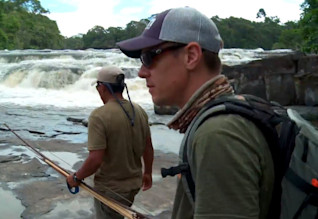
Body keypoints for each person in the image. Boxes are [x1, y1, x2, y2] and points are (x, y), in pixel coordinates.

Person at [117, 6, 274, 219]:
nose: (141, 72)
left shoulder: (219, 135)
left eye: (149, 57)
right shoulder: (233, 112)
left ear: (191, 56)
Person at [66, 66, 154, 219]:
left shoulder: (99, 116)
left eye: (97, 86)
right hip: (133, 185)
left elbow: (95, 160)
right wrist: (147, 173)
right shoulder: (139, 110)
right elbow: (148, 147)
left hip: (110, 190)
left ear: (102, 88)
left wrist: (76, 178)